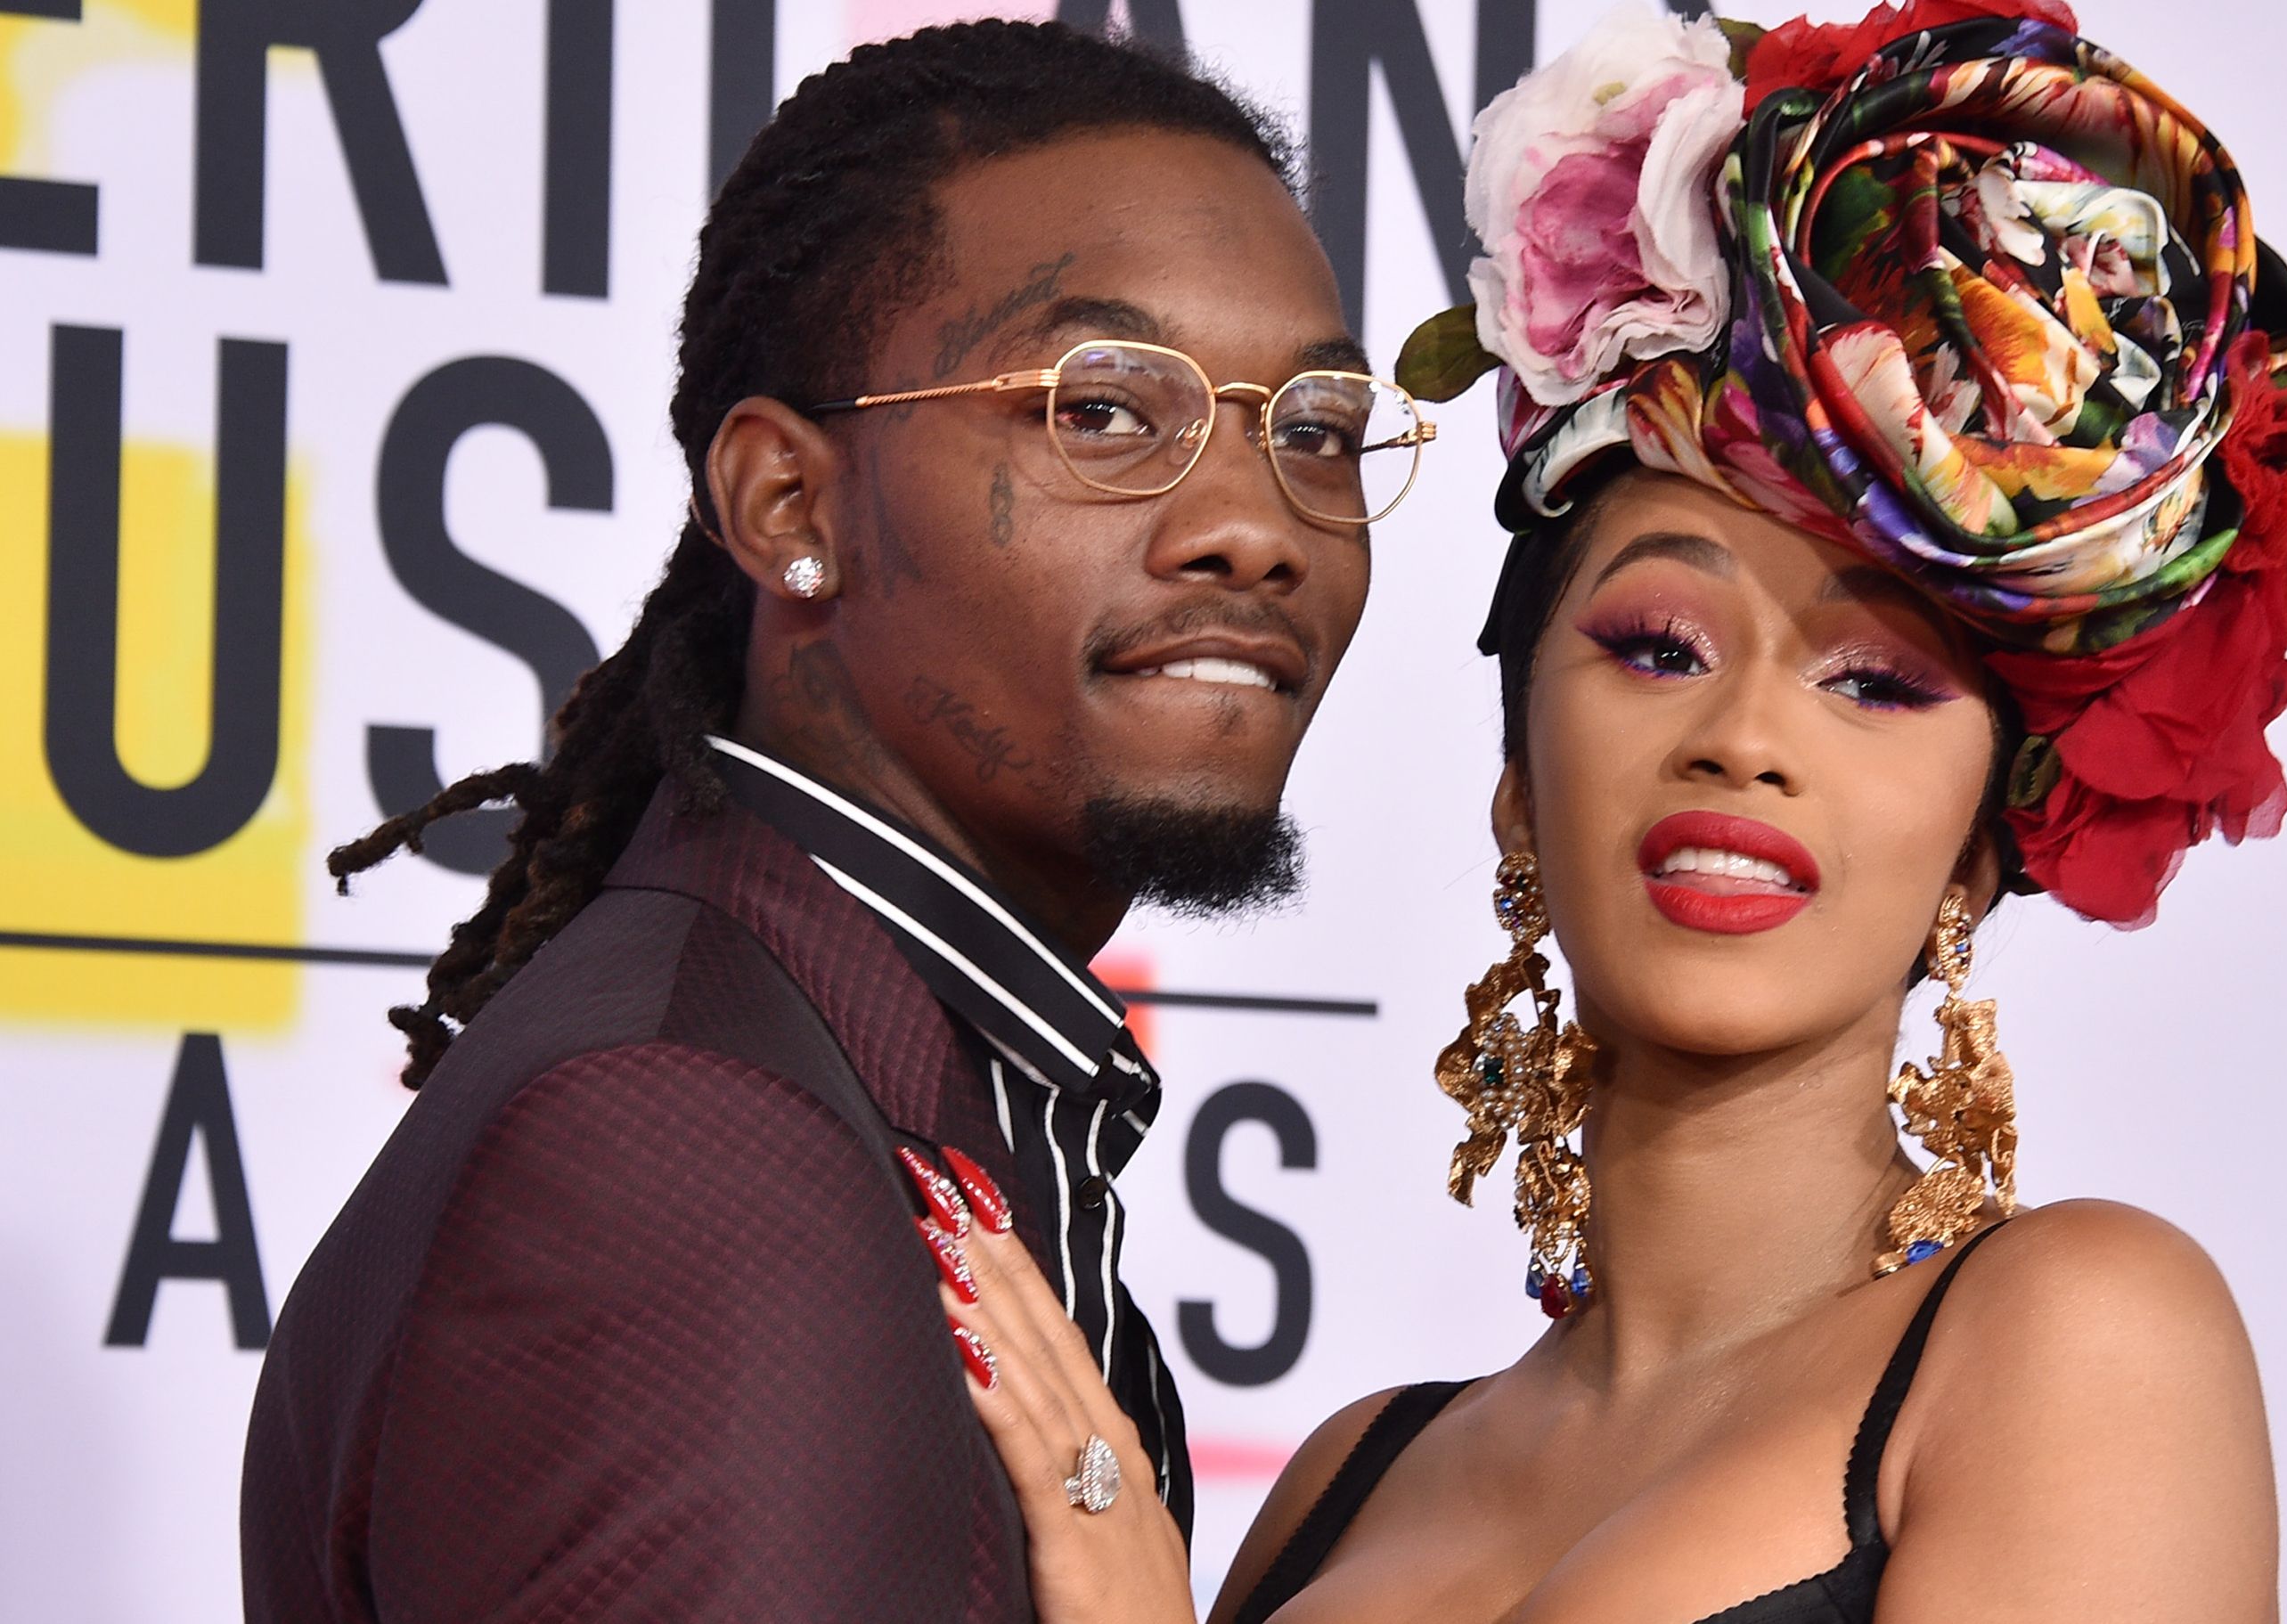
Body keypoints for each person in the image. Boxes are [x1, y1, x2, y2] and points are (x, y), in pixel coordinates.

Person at [913, 3, 2287, 1621]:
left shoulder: (2077, 1332)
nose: (1746, 741)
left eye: (1875, 684)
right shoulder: (1348, 1476)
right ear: (1518, 784)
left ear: (1981, 849)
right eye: (1658, 647)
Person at [238, 20, 1433, 1621]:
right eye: (1101, 410)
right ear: (789, 504)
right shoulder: (687, 1154)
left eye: (1316, 430)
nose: (1253, 525)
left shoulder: (871, 1077)